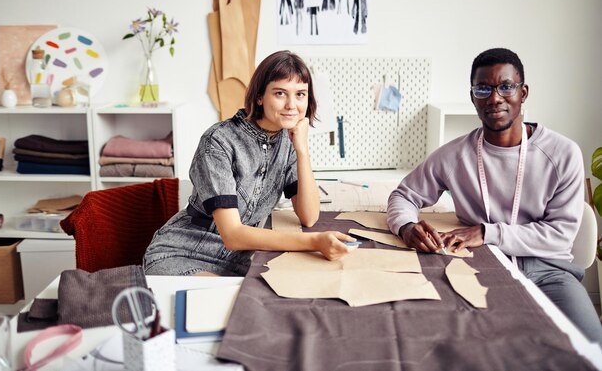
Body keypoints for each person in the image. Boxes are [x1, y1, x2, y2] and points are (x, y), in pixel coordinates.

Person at [387, 47, 602, 344]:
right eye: (483, 88)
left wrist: (487, 232)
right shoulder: (454, 156)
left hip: (549, 271)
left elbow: (559, 236)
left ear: (523, 93)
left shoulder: (562, 153)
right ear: (473, 95)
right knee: (461, 345)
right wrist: (407, 227)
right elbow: (403, 195)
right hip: (478, 265)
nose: (494, 98)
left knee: (592, 347)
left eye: (506, 87)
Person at [144, 50, 357, 277]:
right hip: (182, 253)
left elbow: (309, 215)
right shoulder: (218, 141)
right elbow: (233, 234)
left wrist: (302, 151)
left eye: (300, 94)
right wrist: (314, 241)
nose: (292, 105)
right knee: (228, 306)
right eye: (280, 93)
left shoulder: (288, 140)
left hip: (239, 262)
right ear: (259, 97)